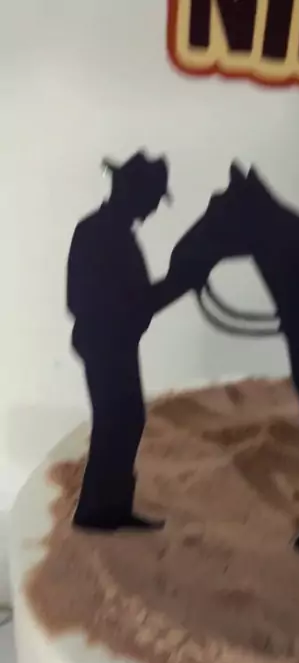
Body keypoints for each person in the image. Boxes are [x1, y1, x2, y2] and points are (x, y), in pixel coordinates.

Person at [67, 150, 172, 531]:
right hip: (105, 344)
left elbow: (136, 300)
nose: (153, 208)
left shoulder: (111, 233)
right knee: (117, 420)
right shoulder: (97, 232)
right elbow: (82, 299)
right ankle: (97, 512)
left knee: (123, 420)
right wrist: (172, 286)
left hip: (112, 342)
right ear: (132, 193)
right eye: (151, 198)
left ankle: (109, 509)